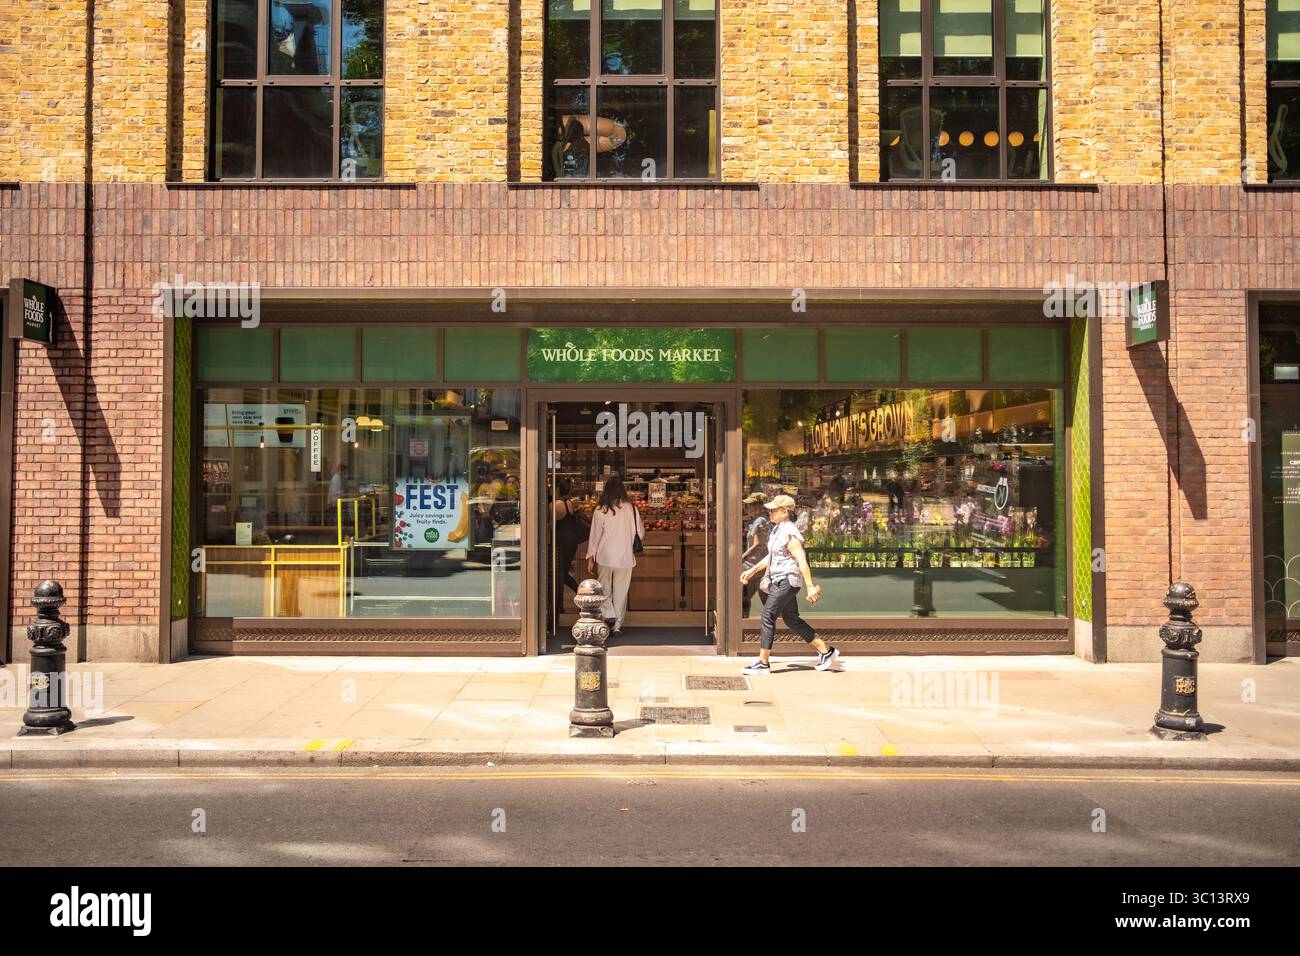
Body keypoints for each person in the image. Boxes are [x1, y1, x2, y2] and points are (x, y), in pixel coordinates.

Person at [738, 494, 839, 674]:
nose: (769, 512)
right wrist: (753, 570)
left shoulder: (789, 531)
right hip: (780, 579)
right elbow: (772, 557)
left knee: (768, 616)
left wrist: (809, 586)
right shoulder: (777, 530)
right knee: (791, 620)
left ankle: (763, 663)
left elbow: (801, 558)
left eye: (773, 510)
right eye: (770, 509)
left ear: (784, 512)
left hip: (786, 580)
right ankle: (826, 651)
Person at [585, 475, 644, 640]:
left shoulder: (600, 510)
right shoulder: (631, 508)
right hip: (625, 557)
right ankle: (617, 626)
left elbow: (595, 535)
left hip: (605, 555)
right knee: (621, 592)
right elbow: (640, 532)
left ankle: (608, 615)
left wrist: (590, 556)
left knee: (604, 589)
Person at [552, 477, 589, 615]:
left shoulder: (556, 505)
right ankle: (559, 605)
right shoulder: (570, 503)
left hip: (561, 541)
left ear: (557, 490)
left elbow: (550, 525)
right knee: (562, 573)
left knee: (560, 574)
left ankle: (583, 595)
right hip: (571, 540)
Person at [740, 492, 772, 618]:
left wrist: (742, 556)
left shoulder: (760, 520)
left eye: (750, 505)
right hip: (755, 565)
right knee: (764, 600)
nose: (747, 508)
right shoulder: (759, 520)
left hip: (754, 565)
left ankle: (743, 624)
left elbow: (758, 543)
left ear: (758, 506)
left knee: (744, 599)